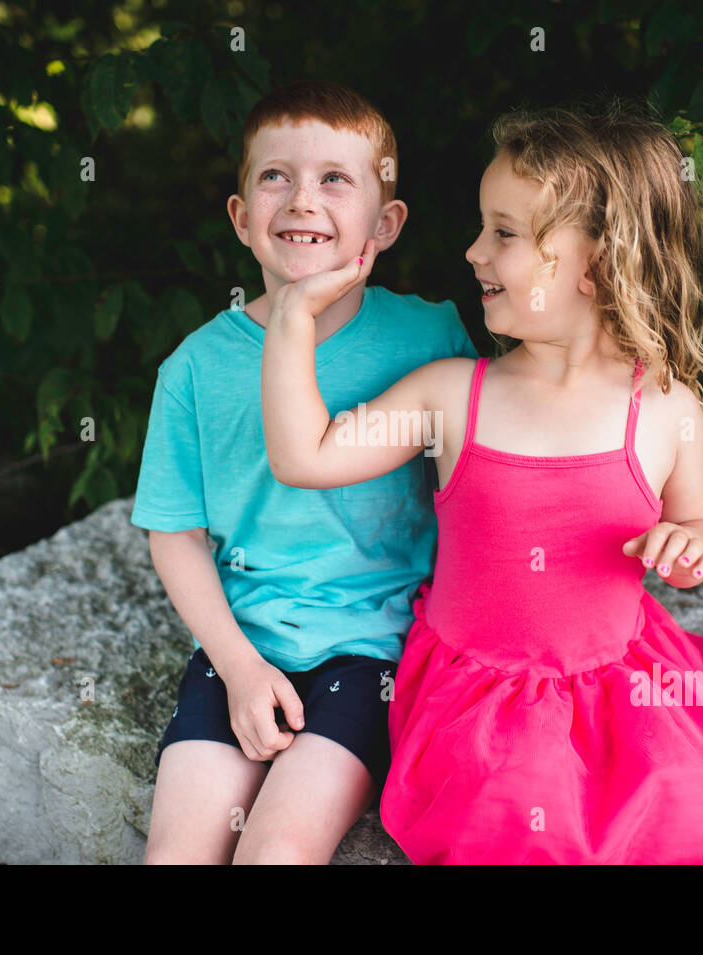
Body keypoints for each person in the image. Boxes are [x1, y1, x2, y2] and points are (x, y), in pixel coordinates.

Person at [260, 98, 703, 863]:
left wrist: (689, 545)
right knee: (524, 817)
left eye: (504, 233)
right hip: (482, 699)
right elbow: (308, 455)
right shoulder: (455, 394)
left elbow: (701, 522)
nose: (472, 252)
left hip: (623, 683)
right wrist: (292, 320)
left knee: (691, 801)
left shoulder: (662, 408)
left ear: (596, 262)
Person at [132, 80, 476, 864]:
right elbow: (175, 534)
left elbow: (481, 483)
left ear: (384, 224)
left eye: (334, 179)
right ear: (241, 216)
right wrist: (240, 668)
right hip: (242, 646)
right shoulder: (194, 369)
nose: (301, 199)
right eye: (274, 176)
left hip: (373, 656)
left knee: (276, 851)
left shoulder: (429, 338)